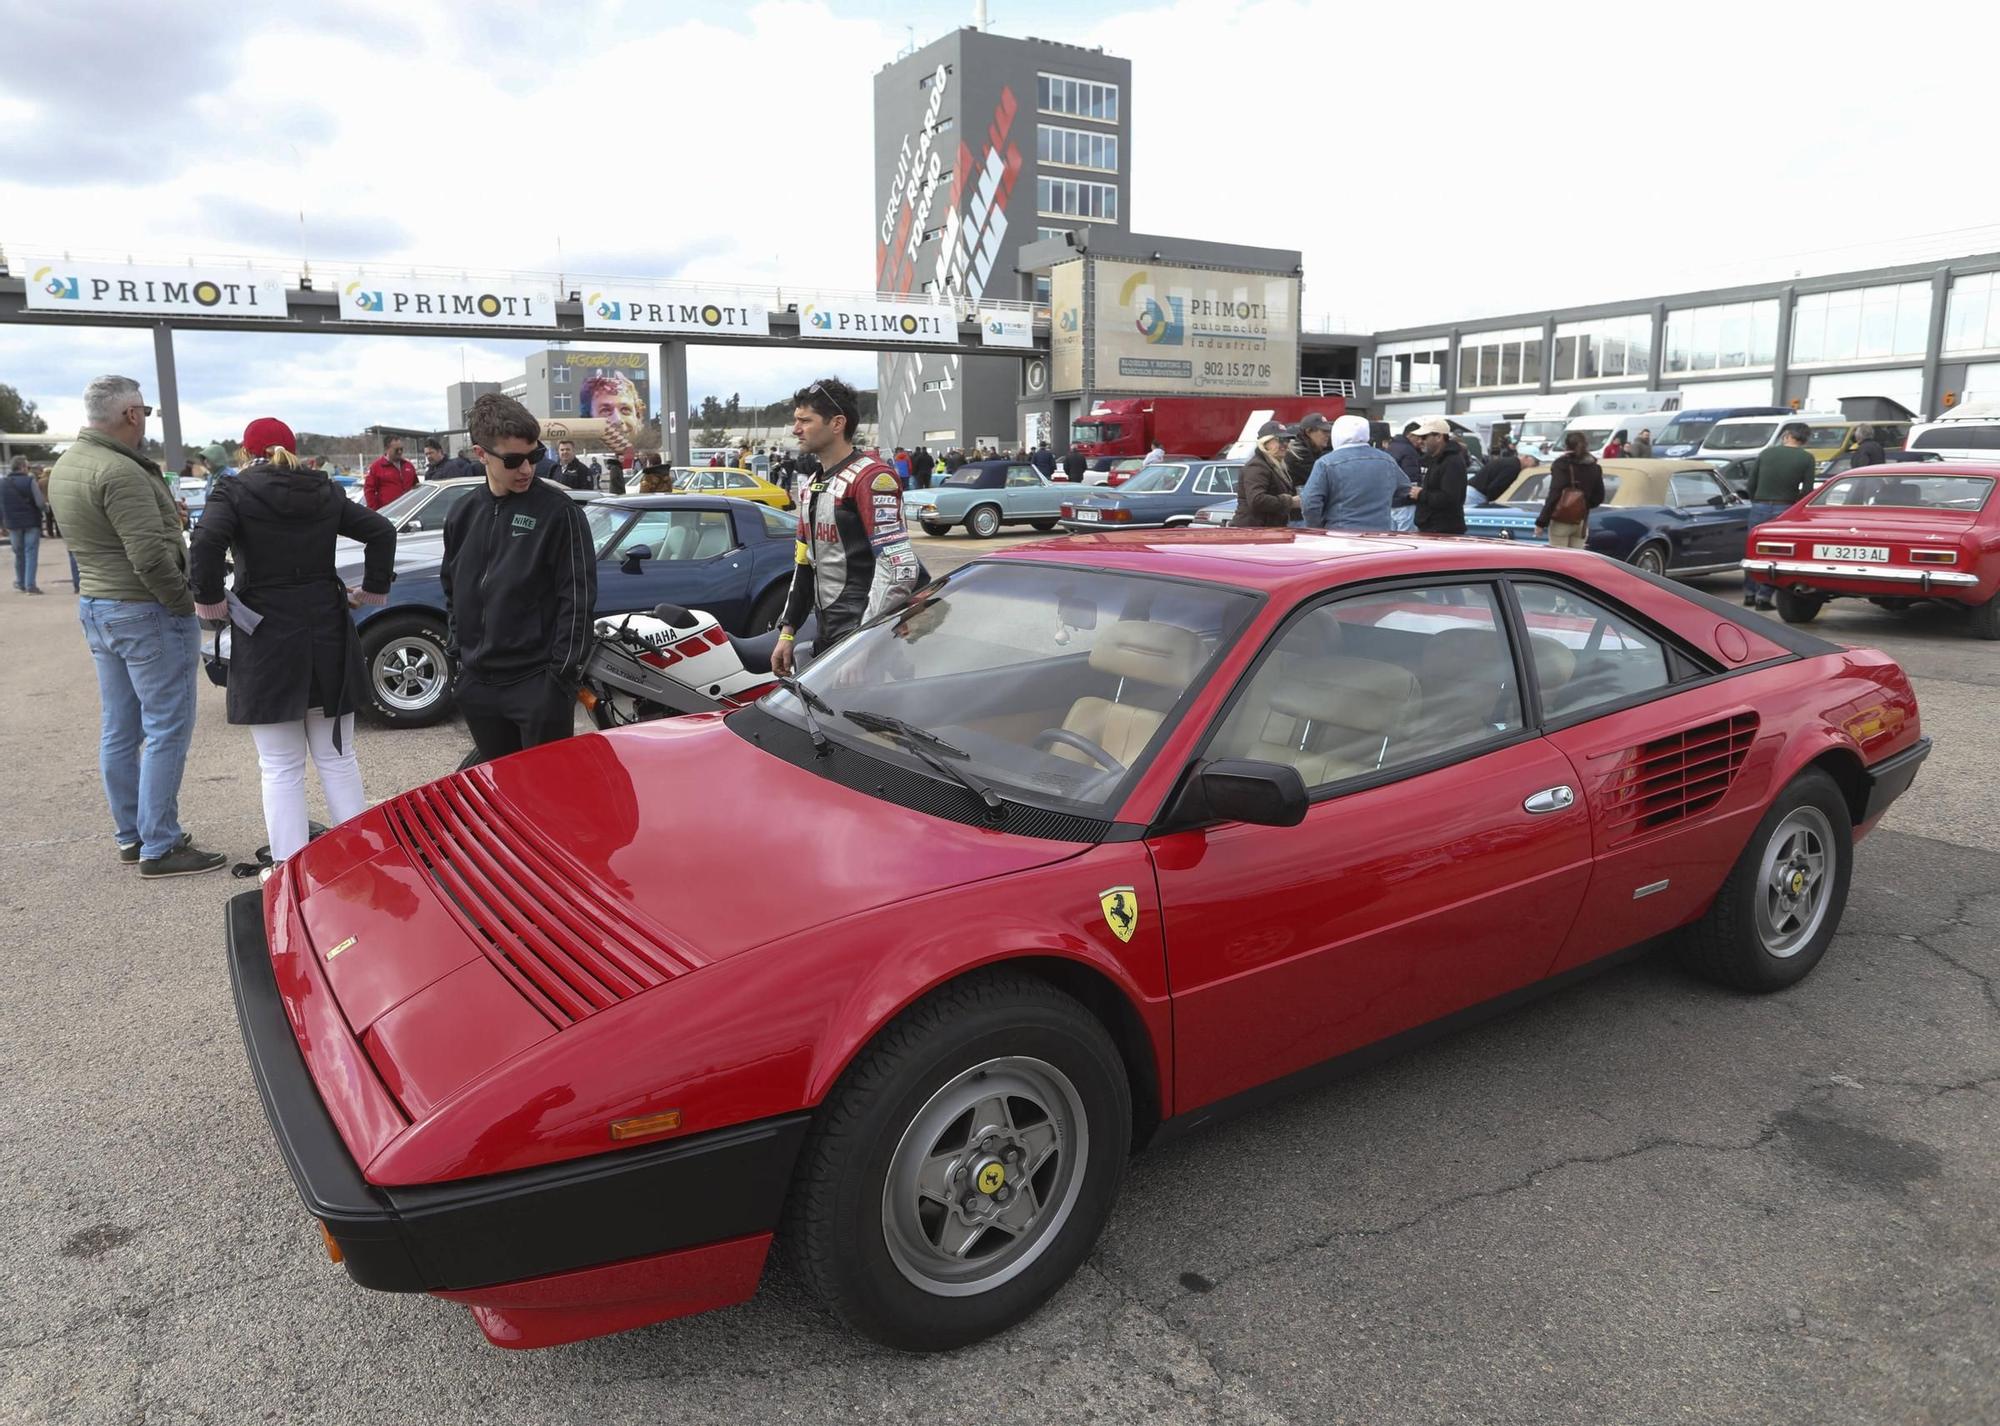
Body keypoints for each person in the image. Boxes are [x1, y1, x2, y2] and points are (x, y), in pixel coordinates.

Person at [188, 418, 396, 873]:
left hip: (266, 637)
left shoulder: (234, 491)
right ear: (293, 449)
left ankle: (287, 868)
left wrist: (210, 604)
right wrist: (370, 592)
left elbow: (204, 544)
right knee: (338, 757)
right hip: (327, 629)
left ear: (246, 453)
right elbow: (382, 531)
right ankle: (363, 861)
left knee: (281, 766)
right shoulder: (324, 490)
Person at [48, 376, 226, 876]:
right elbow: (148, 557)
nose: (146, 419)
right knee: (167, 728)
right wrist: (181, 604)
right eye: (144, 410)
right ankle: (161, 845)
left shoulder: (69, 464)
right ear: (131, 414)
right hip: (145, 610)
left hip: (100, 605)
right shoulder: (120, 471)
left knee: (120, 728)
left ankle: (134, 834)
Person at [439, 394, 597, 763]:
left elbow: (578, 599)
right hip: (479, 685)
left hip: (537, 685)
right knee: (500, 795)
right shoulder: (463, 513)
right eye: (513, 461)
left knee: (548, 799)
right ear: (481, 455)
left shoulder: (560, 513)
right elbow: (452, 586)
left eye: (534, 456)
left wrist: (560, 678)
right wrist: (458, 652)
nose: (526, 469)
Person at [772, 377, 920, 676]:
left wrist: (863, 644)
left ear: (837, 423)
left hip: (868, 645)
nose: (796, 429)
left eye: (805, 420)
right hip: (830, 637)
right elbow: (804, 564)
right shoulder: (814, 483)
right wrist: (788, 631)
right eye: (796, 420)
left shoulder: (873, 478)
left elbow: (899, 566)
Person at [1740, 422, 1817, 610]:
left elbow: (1751, 483)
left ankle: (1749, 593)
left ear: (1787, 435)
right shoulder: (1807, 458)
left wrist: (1756, 499)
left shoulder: (1766, 453)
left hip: (1759, 505)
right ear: (1804, 439)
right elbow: (1807, 490)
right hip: (1785, 509)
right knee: (1775, 553)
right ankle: (1763, 597)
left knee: (1753, 552)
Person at [1302, 414, 1403, 531]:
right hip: (1380, 533)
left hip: (1340, 533)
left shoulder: (1326, 463)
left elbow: (1310, 502)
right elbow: (1404, 488)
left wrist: (1315, 528)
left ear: (1337, 434)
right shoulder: (1387, 460)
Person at [1535, 433, 1606, 549]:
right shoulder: (1594, 467)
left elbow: (1555, 493)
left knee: (1559, 560)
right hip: (1581, 522)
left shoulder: (1562, 465)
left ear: (1566, 445)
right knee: (1576, 561)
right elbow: (1599, 497)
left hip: (1561, 520)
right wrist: (1582, 505)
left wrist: (1541, 522)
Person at [1230, 421, 1301, 528]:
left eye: (1287, 439)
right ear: (1265, 443)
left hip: (1264, 530)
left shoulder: (1274, 465)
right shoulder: (1257, 466)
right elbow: (1256, 500)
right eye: (1279, 440)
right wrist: (1290, 501)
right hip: (1253, 532)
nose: (1285, 444)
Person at [1409, 416, 1470, 535]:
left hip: (1444, 531)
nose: (1420, 441)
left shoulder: (1452, 461)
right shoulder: (1432, 459)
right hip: (1430, 527)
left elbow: (1449, 498)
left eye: (1424, 437)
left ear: (1439, 437)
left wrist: (1421, 494)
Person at [5, 456, 47, 592]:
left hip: (12, 524)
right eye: (28, 467)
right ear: (22, 467)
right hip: (31, 522)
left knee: (18, 553)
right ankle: (30, 585)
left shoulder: (2, 483)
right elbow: (40, 502)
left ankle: (21, 582)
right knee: (31, 553)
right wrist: (45, 509)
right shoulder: (30, 481)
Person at [364, 434, 418, 509]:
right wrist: (376, 511)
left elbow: (416, 487)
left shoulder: (408, 466)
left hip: (409, 512)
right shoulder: (376, 467)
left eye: (401, 449)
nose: (399, 452)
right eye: (396, 450)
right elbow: (369, 491)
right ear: (387, 449)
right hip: (388, 514)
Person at [1283, 412, 1333, 485]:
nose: (1328, 435)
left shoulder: (1314, 449)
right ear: (1308, 432)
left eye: (1329, 431)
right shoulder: (1298, 454)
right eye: (1324, 431)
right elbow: (1321, 479)